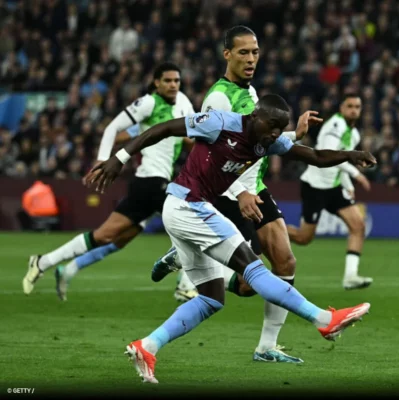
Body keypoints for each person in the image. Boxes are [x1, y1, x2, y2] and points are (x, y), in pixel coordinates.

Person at [84, 95, 376, 384]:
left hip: (187, 210)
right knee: (254, 268)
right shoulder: (219, 122)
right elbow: (161, 129)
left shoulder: (267, 141)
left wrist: (350, 155)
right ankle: (324, 321)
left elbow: (314, 156)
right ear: (255, 116)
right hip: (189, 205)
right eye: (271, 125)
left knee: (211, 298)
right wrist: (119, 159)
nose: (275, 133)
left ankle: (146, 346)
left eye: (280, 127)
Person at [151, 26, 310, 363]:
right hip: (229, 190)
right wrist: (239, 192)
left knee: (284, 261)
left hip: (256, 188)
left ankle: (266, 347)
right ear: (227, 55)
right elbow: (213, 151)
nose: (251, 58)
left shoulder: (252, 95)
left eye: (254, 52)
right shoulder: (219, 98)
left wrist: (295, 134)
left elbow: (260, 140)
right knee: (249, 279)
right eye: (243, 52)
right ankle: (185, 253)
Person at [22, 62, 199, 302]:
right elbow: (112, 128)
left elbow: (189, 138)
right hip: (150, 181)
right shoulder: (148, 103)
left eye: (176, 81)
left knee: (108, 237)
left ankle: (45, 262)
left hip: (152, 183)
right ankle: (185, 286)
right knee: (192, 222)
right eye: (167, 80)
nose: (173, 85)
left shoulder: (184, 103)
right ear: (157, 82)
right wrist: (103, 160)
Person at [287, 94, 373, 290]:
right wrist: (356, 174)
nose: (353, 110)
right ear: (341, 108)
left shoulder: (355, 134)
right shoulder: (335, 126)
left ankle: (350, 276)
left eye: (357, 107)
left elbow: (340, 160)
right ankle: (266, 230)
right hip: (315, 186)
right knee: (303, 238)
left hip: (334, 187)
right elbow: (327, 155)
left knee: (358, 226)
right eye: (349, 106)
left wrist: (348, 185)